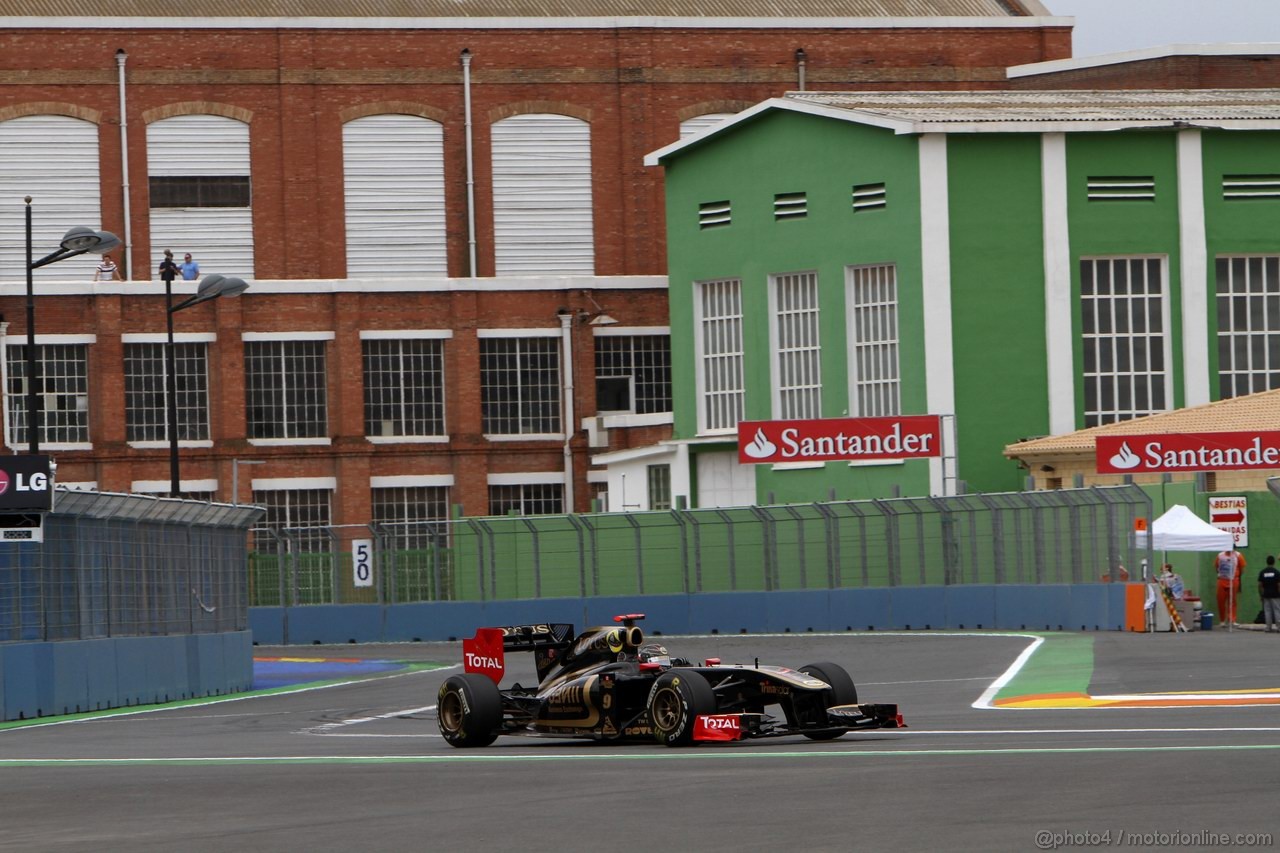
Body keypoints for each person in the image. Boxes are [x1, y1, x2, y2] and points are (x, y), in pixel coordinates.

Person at [1215, 547, 1245, 625]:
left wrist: (1237, 576)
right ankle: (1222, 620)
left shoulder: (1238, 555)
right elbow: (1216, 567)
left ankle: (1232, 619)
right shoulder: (1220, 555)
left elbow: (1242, 569)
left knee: (1232, 601)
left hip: (1233, 580)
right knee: (1220, 601)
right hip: (1222, 580)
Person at [1258, 555, 1280, 633]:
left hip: (1266, 595)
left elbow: (1260, 585)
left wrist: (1261, 595)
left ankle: (1268, 627)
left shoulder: (1262, 572)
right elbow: (1278, 585)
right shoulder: (1277, 572)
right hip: (1275, 595)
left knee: (1267, 611)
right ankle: (1278, 627)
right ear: (1274, 562)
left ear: (1267, 562)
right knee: (1277, 610)